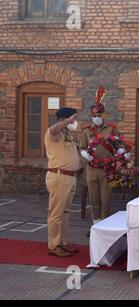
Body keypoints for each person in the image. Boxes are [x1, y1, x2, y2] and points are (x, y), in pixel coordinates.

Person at [80, 87, 129, 227]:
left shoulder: (111, 129)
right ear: (91, 116)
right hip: (91, 168)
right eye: (94, 116)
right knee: (94, 199)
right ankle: (96, 224)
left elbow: (119, 143)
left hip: (108, 169)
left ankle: (105, 224)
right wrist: (84, 154)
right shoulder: (86, 131)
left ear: (104, 115)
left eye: (99, 115)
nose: (96, 118)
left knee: (106, 200)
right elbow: (81, 146)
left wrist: (120, 150)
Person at [45, 107, 80, 257]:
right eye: (74, 118)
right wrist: (67, 121)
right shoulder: (54, 132)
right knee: (56, 213)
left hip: (70, 177)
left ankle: (63, 242)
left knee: (65, 212)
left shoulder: (67, 134)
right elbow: (53, 130)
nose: (75, 121)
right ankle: (53, 245)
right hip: (59, 176)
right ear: (64, 119)